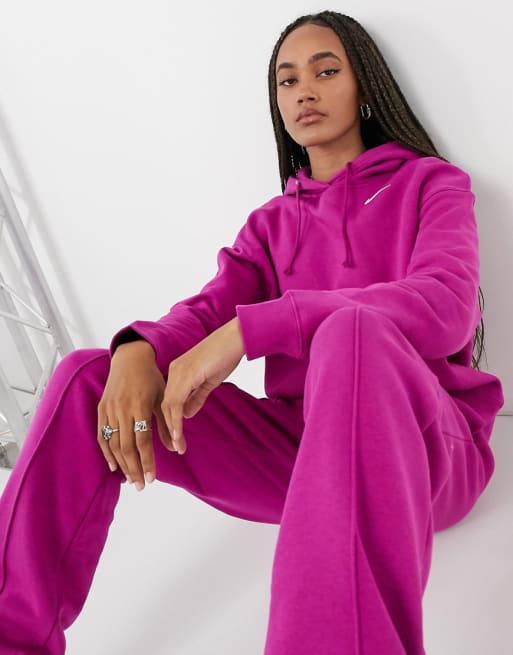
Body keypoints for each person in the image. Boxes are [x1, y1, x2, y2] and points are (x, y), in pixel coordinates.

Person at [0, 10, 505, 655]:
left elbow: (445, 306)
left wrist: (256, 329)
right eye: (287, 81)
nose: (305, 91)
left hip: (426, 452)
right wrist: (138, 349)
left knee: (352, 334)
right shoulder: (271, 224)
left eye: (326, 71)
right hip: (303, 451)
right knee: (83, 377)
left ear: (365, 86)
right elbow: (205, 311)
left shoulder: (431, 184)